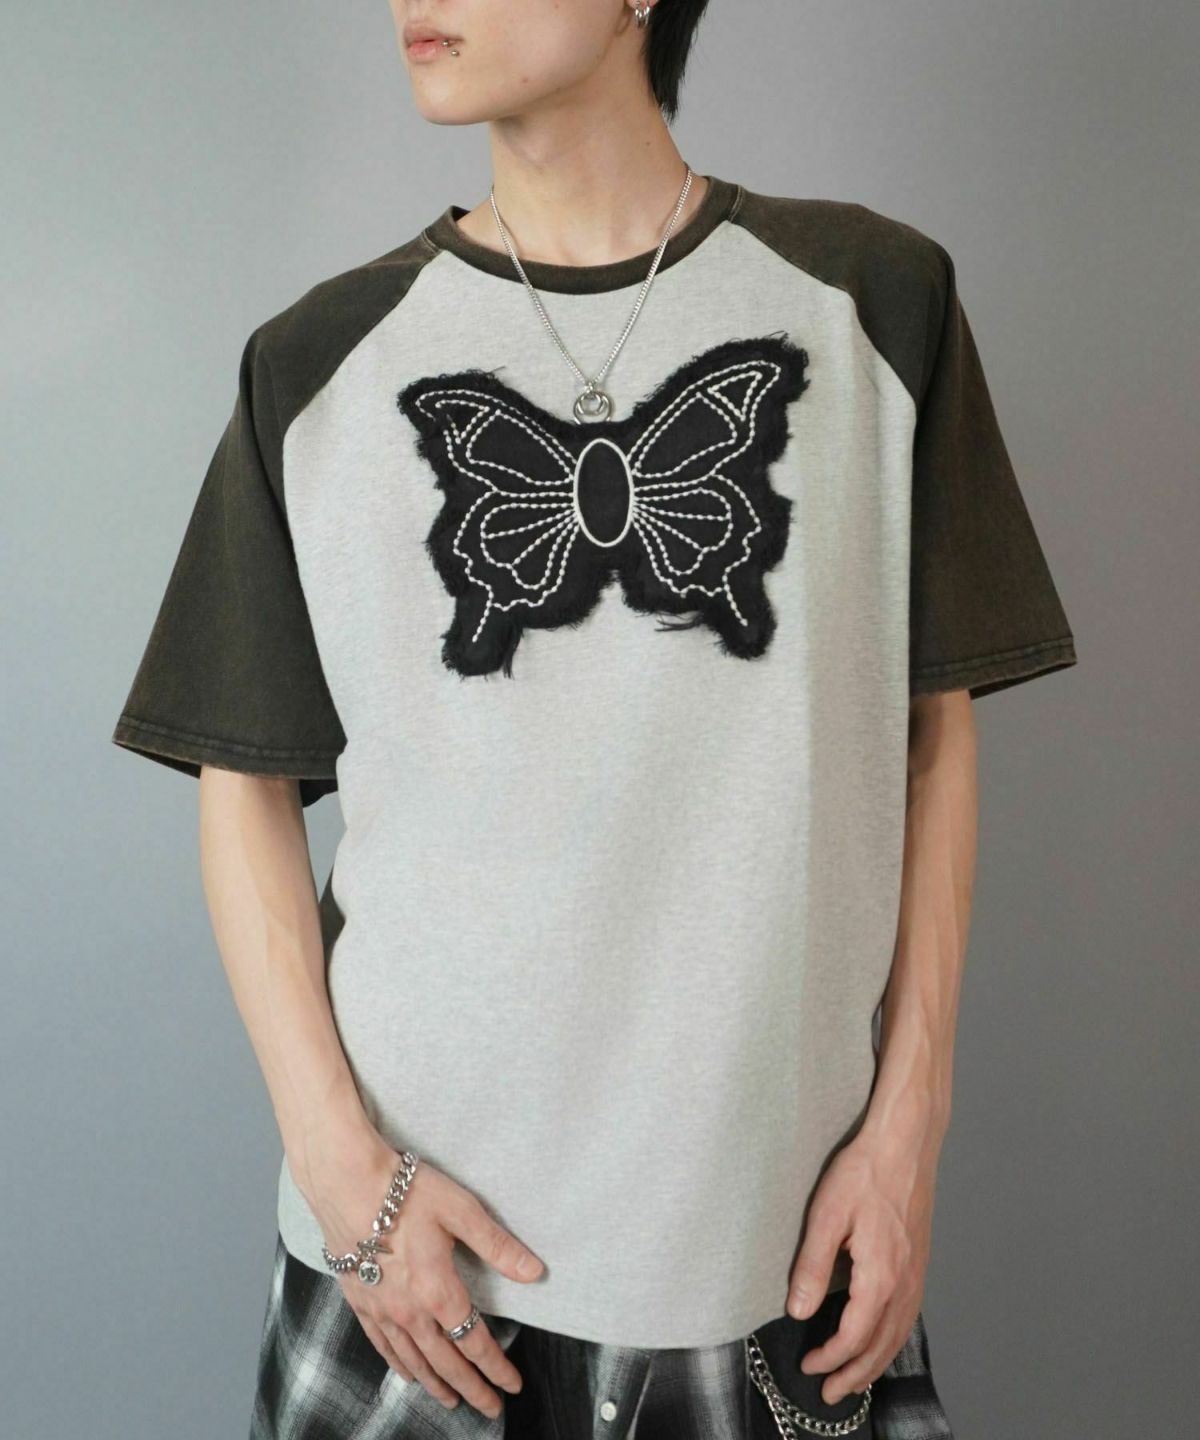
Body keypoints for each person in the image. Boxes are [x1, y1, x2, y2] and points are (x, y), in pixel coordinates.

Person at [111, 2, 1078, 1436]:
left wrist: (910, 1127)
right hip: (414, 1267)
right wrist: (338, 1167)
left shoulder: (873, 303)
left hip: (766, 1254)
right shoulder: (317, 360)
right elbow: (239, 778)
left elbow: (934, 734)